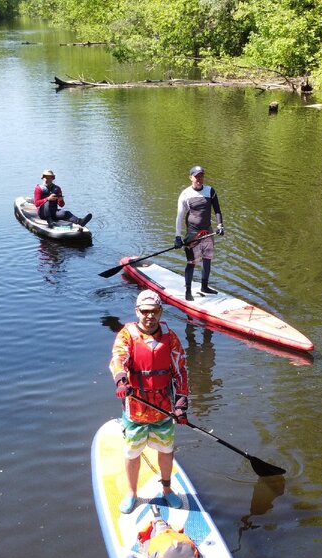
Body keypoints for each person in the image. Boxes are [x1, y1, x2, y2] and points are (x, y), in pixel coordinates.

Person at [109, 290, 190, 513]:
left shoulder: (170, 337)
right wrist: (121, 379)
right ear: (137, 312)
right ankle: (132, 493)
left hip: (164, 409)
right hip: (135, 408)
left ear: (160, 312)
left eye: (154, 311)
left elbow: (180, 370)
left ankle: (167, 490)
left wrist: (181, 401)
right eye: (145, 312)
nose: (149, 316)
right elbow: (118, 358)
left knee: (166, 450)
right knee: (132, 452)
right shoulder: (127, 335)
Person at [175, 165, 225, 302]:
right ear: (191, 177)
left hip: (207, 231)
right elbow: (179, 216)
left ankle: (204, 286)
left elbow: (217, 210)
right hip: (192, 233)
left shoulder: (210, 191)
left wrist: (220, 225)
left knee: (207, 259)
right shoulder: (185, 194)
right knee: (191, 262)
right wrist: (178, 237)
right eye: (196, 176)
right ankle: (188, 291)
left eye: (201, 176)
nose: (199, 178)